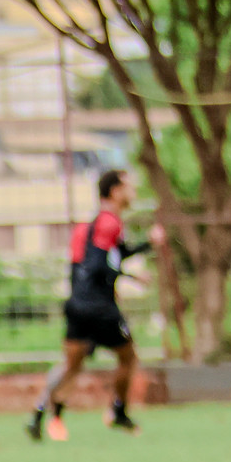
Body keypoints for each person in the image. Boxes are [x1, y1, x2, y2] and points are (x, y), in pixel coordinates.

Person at [28, 168, 166, 440]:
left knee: (71, 365)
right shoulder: (109, 223)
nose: (133, 192)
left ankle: (40, 412)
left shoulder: (90, 227)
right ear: (115, 191)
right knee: (128, 357)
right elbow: (99, 266)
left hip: (77, 305)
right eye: (129, 186)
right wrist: (133, 276)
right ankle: (118, 411)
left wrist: (146, 245)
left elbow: (105, 258)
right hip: (100, 308)